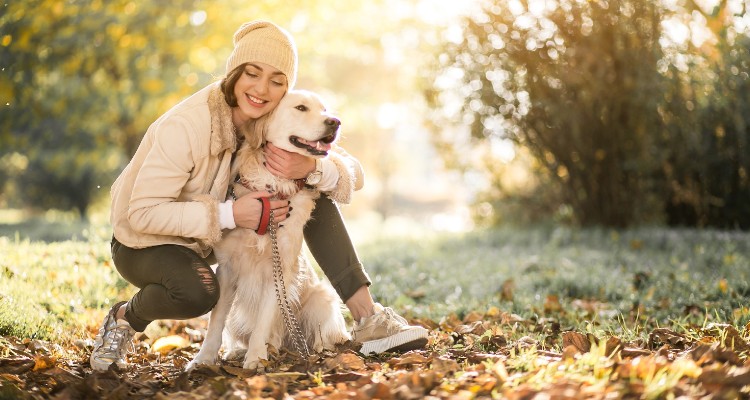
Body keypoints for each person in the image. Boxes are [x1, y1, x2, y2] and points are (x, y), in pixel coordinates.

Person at [89, 20, 428, 372]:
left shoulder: (270, 120)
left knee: (314, 191)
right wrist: (231, 215)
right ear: (234, 73)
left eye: (277, 81)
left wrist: (309, 170)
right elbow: (141, 213)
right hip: (143, 242)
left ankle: (368, 318)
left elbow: (352, 173)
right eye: (252, 73)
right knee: (199, 291)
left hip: (203, 241)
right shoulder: (187, 126)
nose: (262, 88)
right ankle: (126, 316)